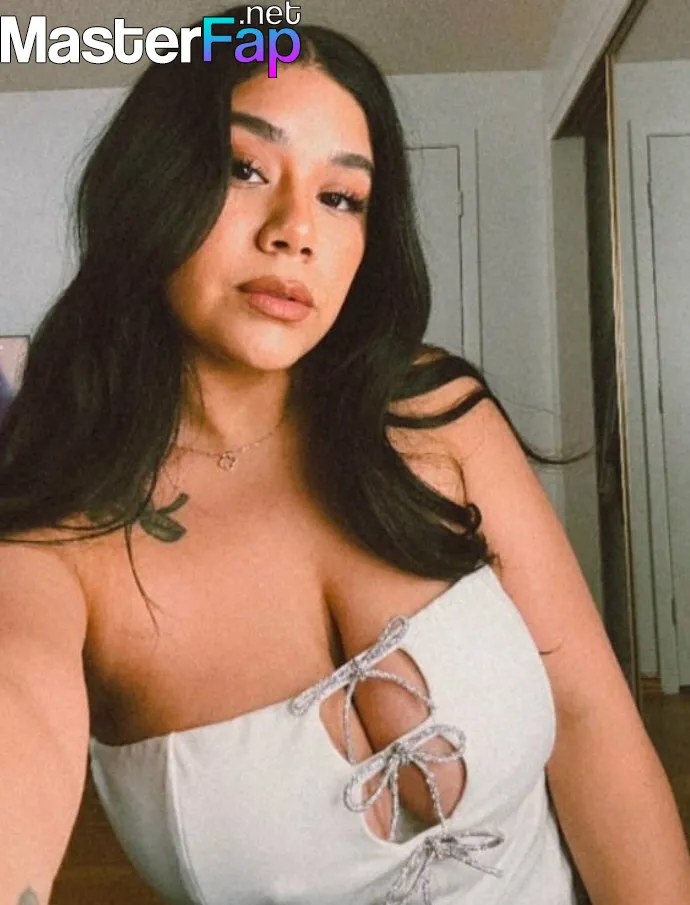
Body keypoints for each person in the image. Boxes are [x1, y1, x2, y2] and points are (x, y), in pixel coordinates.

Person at [1, 8, 689, 905]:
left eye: (342, 197)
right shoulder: (55, 542)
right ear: (150, 184)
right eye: (244, 167)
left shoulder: (434, 415)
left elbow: (593, 721)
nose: (297, 230)